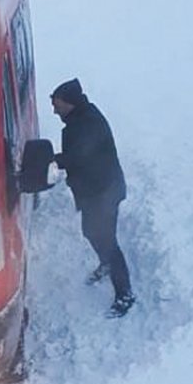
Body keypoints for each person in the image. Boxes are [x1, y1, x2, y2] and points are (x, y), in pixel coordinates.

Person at [50, 78, 135, 318]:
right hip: (94, 193)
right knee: (90, 232)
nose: (54, 110)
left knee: (108, 241)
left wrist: (52, 159)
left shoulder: (87, 124)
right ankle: (106, 264)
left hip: (104, 193)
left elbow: (78, 156)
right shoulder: (80, 118)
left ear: (70, 103)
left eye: (57, 104)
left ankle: (125, 294)